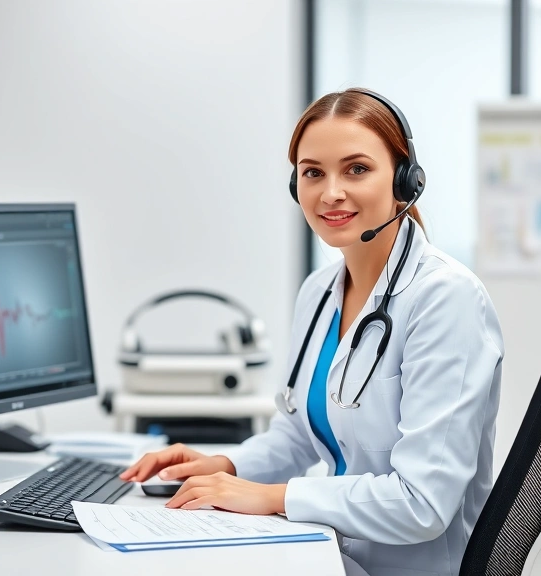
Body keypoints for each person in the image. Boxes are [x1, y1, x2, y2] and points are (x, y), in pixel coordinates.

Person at [120, 88, 504, 576]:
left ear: (406, 180)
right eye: (313, 172)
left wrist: (274, 497)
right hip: (330, 552)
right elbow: (299, 436)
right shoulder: (320, 291)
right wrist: (227, 467)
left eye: (357, 169)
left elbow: (421, 503)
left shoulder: (446, 299)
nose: (331, 192)